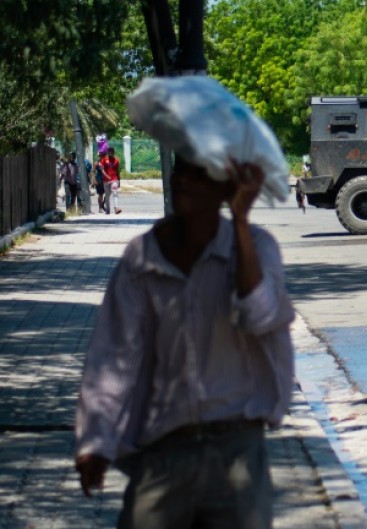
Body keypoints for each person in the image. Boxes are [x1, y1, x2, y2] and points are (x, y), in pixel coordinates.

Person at [74, 155, 295, 528]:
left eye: (200, 174)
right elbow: (114, 355)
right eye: (180, 172)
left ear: (225, 188)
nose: (184, 182)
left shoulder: (256, 247)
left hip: (237, 448)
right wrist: (96, 441)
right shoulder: (143, 258)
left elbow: (260, 317)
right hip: (163, 447)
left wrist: (240, 221)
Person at [98, 146, 121, 214]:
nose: (111, 153)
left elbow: (117, 171)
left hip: (114, 180)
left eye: (112, 152)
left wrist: (119, 180)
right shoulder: (104, 160)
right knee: (107, 196)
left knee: (115, 193)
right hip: (106, 181)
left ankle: (116, 208)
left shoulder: (116, 160)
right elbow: (102, 169)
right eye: (109, 152)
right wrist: (106, 176)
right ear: (108, 153)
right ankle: (108, 210)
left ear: (114, 153)